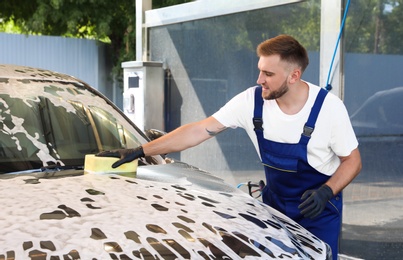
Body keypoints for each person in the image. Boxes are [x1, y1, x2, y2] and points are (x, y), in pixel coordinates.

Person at [97, 34, 362, 259]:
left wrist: (327, 192)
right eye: (260, 70)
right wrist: (142, 150)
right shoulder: (252, 101)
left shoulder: (328, 108)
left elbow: (353, 160)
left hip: (318, 210)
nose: (260, 79)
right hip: (276, 205)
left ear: (294, 75)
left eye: (268, 74)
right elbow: (199, 130)